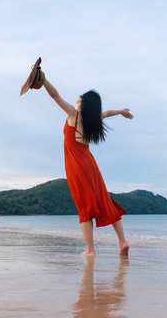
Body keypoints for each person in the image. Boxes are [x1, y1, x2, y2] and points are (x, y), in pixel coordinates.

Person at [42, 77, 134, 257]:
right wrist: (121, 111)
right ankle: (122, 241)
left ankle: (90, 250)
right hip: (91, 164)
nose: (79, 94)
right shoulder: (92, 119)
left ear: (83, 102)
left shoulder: (73, 115)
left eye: (82, 94)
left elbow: (55, 95)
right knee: (105, 200)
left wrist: (43, 80)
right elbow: (106, 113)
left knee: (84, 206)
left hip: (77, 165)